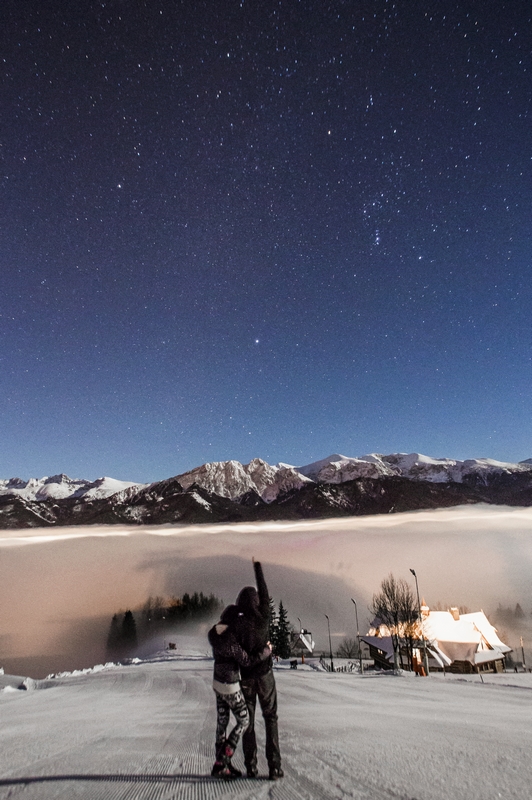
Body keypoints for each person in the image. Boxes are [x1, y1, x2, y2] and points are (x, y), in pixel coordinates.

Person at [208, 604, 270, 779]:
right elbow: (247, 661)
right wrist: (266, 651)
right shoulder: (232, 639)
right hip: (231, 685)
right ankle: (223, 759)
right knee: (244, 721)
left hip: (217, 683)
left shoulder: (215, 634)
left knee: (222, 722)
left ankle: (221, 765)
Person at [236, 559, 283, 781]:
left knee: (248, 722)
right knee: (271, 717)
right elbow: (264, 590)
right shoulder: (264, 617)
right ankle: (274, 767)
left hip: (245, 678)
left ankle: (251, 766)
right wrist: (258, 567)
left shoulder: (238, 624)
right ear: (255, 601)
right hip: (265, 676)